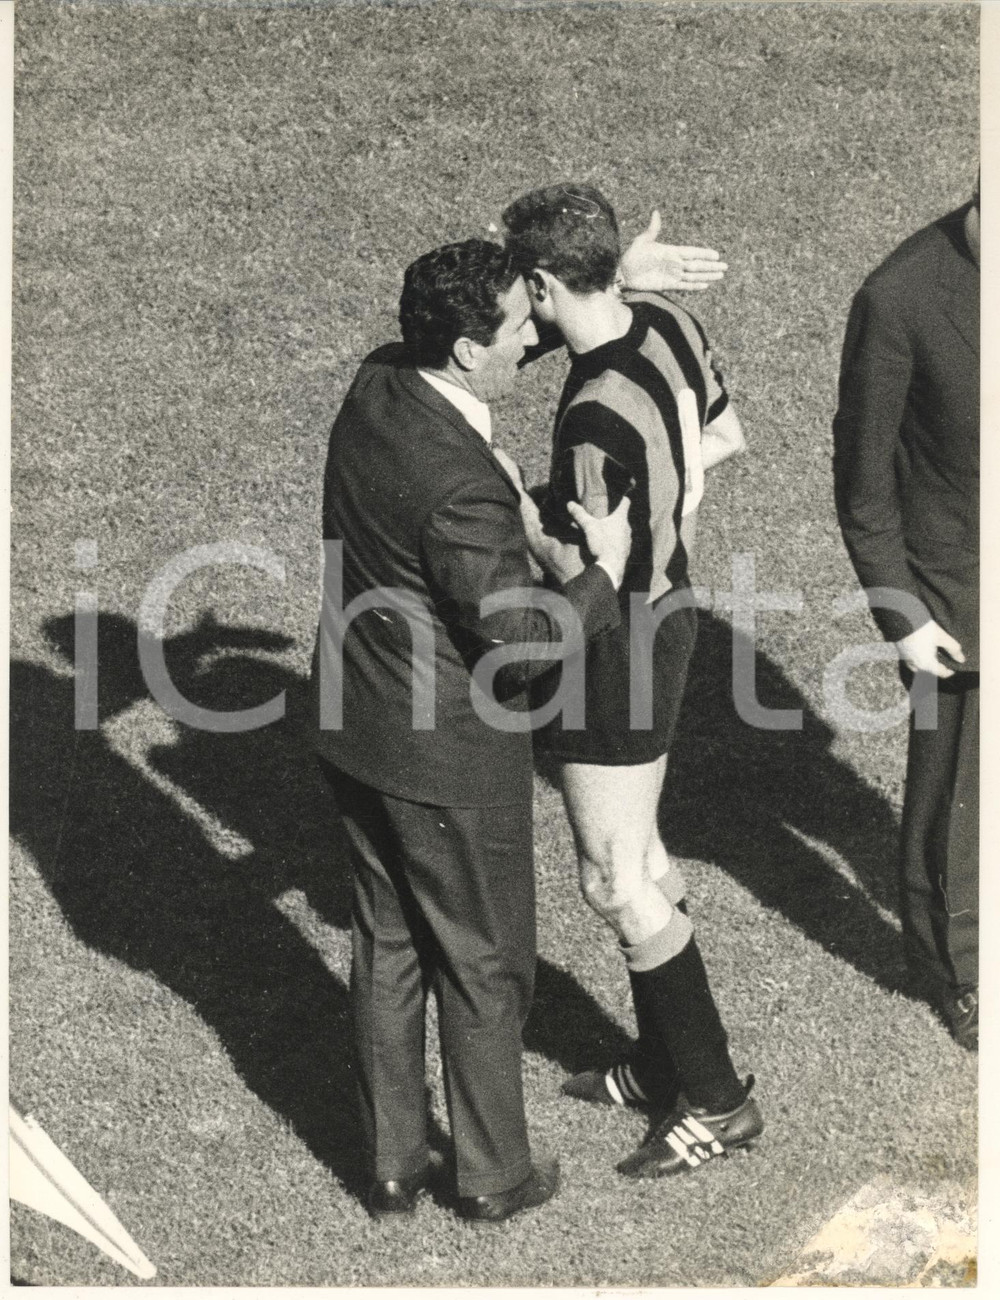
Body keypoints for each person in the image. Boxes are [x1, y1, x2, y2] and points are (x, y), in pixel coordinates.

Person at [311, 226, 723, 1220]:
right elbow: (526, 641)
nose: (530, 337)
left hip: (350, 724)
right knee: (486, 961)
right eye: (516, 325)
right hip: (442, 750)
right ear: (466, 349)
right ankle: (495, 1176)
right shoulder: (459, 487)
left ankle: (394, 1165)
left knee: (389, 945)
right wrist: (604, 568)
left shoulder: (378, 381)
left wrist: (601, 275)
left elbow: (503, 319)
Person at [498, 183, 759, 1180]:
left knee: (612, 876)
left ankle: (717, 1098)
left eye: (519, 291)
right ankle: (661, 1064)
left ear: (537, 279)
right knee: (640, 855)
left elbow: (582, 570)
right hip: (673, 614)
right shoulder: (671, 321)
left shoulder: (593, 418)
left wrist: (526, 515)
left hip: (617, 642)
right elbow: (725, 438)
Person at [832, 185, 979, 1050]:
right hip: (954, 599)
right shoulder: (899, 298)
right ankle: (960, 973)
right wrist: (902, 615)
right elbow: (863, 483)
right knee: (954, 804)